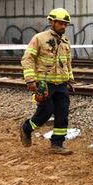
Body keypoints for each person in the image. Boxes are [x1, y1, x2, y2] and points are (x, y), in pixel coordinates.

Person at [19, 8, 74, 155]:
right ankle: (26, 128)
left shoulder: (65, 42)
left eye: (65, 24)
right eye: (60, 23)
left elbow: (67, 62)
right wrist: (31, 80)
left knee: (62, 113)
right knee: (45, 112)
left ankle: (57, 144)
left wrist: (70, 80)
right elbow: (27, 58)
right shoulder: (39, 38)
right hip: (45, 83)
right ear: (52, 22)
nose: (63, 26)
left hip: (61, 84)